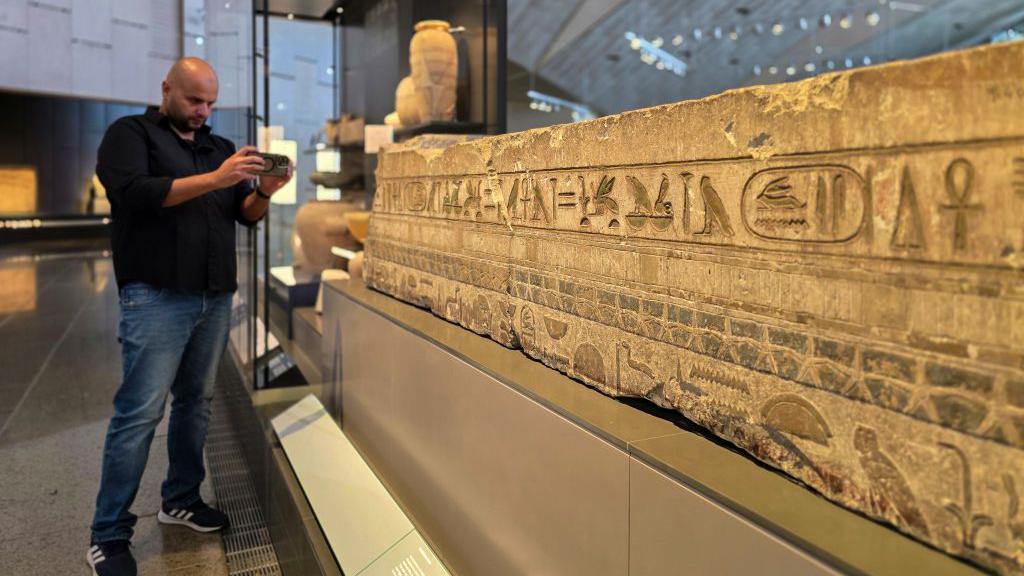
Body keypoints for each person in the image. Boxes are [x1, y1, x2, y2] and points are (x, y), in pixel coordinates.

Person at [87, 57, 292, 576]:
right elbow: (137, 194)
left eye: (210, 103)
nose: (203, 111)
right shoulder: (129, 134)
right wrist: (217, 176)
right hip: (155, 295)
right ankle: (108, 534)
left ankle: (180, 499)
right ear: (167, 90)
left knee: (195, 404)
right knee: (139, 414)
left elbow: (242, 216)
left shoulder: (219, 149)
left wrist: (263, 192)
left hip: (214, 293)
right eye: (194, 100)